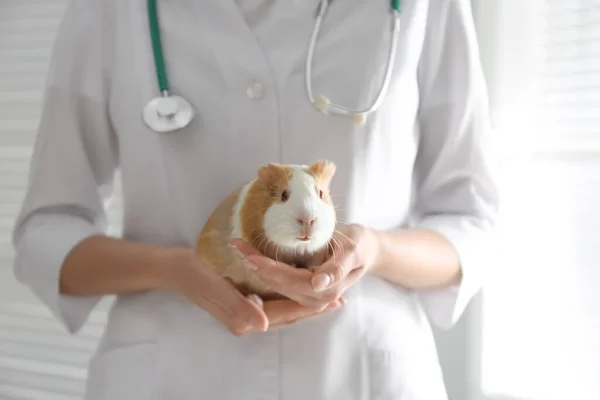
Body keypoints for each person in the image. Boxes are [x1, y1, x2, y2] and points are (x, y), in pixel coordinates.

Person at [11, 0, 499, 398]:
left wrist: (373, 250)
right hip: (172, 375)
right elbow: (46, 232)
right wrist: (175, 268)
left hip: (361, 372)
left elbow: (470, 222)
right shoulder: (111, 11)